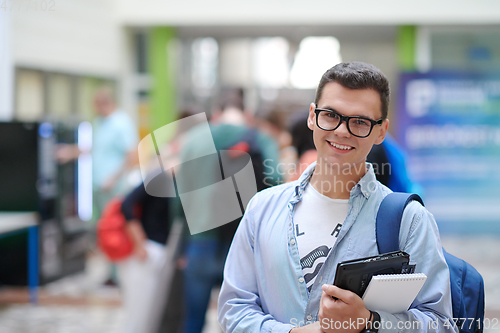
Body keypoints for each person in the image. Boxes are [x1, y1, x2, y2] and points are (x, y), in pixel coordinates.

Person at [218, 62, 455, 333]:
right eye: (330, 115)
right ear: (312, 116)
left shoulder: (409, 220)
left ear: (380, 131)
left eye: (360, 121)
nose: (342, 130)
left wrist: (369, 321)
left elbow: (441, 324)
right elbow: (233, 309)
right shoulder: (263, 208)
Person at [176, 88, 282, 333]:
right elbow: (278, 183)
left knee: (193, 321)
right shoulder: (260, 138)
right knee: (241, 322)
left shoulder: (192, 140)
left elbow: (178, 197)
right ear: (245, 113)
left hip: (199, 240)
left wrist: (181, 246)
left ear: (215, 113)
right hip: (244, 244)